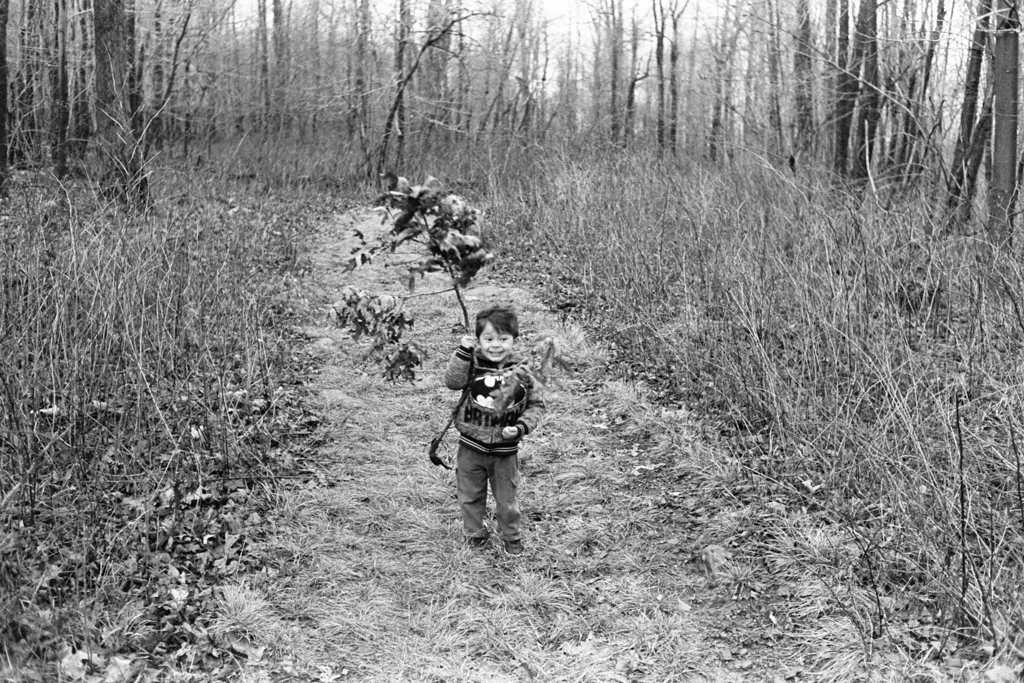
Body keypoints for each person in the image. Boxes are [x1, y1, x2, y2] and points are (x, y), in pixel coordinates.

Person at [443, 304, 545, 555]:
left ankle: (511, 538)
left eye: (503, 339)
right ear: (478, 340)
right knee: (469, 495)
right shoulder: (472, 363)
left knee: (507, 500)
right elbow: (453, 382)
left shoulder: (523, 370)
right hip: (470, 447)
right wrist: (463, 353)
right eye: (488, 339)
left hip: (505, 452)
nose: (495, 345)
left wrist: (520, 428)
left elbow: (536, 405)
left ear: (514, 339)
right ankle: (475, 535)